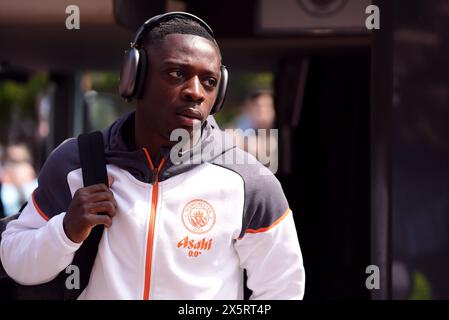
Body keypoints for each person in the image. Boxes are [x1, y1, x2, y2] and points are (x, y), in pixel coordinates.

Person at [0, 12, 305, 300]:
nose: (195, 92)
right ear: (135, 76)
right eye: (177, 73)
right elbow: (15, 258)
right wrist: (66, 231)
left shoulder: (249, 180)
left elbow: (282, 288)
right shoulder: (75, 161)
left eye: (209, 82)